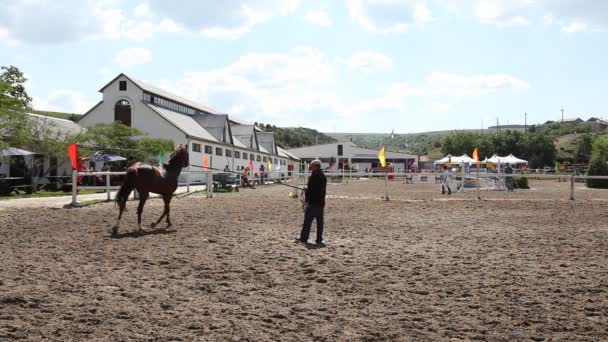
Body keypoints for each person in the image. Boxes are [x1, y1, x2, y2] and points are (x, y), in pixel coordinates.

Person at [297, 159, 327, 245]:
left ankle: (304, 238)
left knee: (307, 221)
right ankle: (319, 239)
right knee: (319, 223)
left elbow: (312, 190)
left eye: (311, 166)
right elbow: (317, 189)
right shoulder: (323, 176)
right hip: (321, 203)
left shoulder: (314, 176)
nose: (310, 167)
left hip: (313, 202)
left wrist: (307, 192)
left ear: (315, 166)